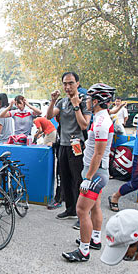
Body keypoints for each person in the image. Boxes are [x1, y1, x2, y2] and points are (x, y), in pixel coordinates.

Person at [62, 83, 115, 262]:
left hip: (96, 173)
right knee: (95, 207)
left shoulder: (101, 122)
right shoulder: (100, 118)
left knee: (82, 210)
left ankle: (83, 251)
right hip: (97, 171)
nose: (87, 101)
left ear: (98, 101)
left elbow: (99, 154)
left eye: (90, 99)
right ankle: (95, 240)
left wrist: (88, 178)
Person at [46, 72, 92, 220]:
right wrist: (53, 101)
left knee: (78, 180)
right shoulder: (62, 102)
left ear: (77, 83)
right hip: (63, 145)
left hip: (77, 146)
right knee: (64, 177)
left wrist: (76, 106)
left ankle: (82, 214)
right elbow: (48, 116)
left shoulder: (85, 101)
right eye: (65, 84)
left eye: (71, 83)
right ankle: (70, 209)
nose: (67, 87)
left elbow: (84, 125)